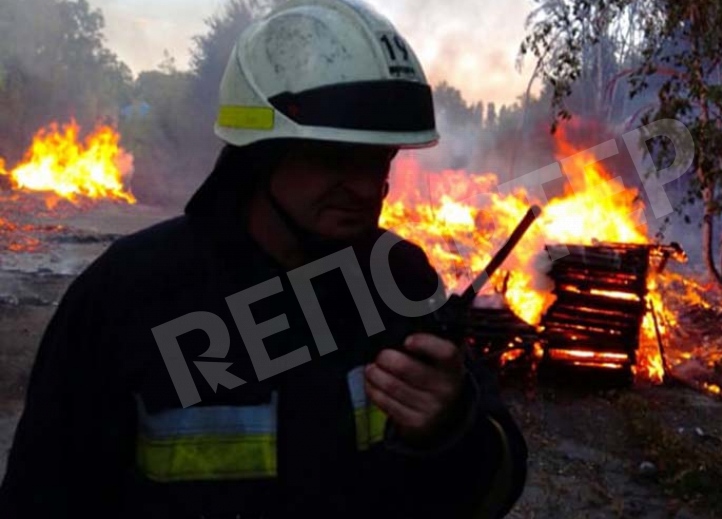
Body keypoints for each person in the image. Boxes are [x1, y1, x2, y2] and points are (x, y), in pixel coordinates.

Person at [0, 1, 528, 517]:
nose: (368, 187)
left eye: (380, 158)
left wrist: (451, 429)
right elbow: (43, 494)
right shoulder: (131, 296)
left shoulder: (398, 280)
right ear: (259, 154)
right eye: (335, 157)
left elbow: (492, 487)